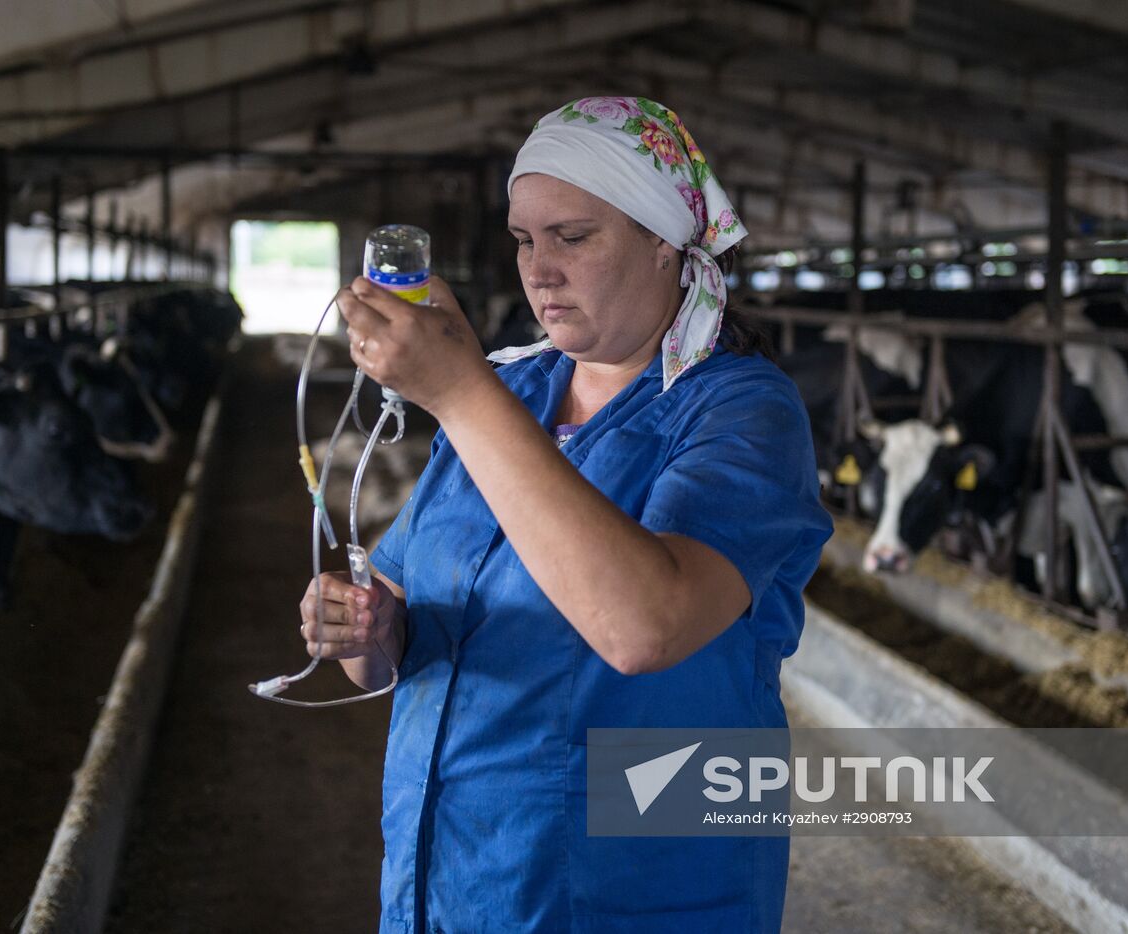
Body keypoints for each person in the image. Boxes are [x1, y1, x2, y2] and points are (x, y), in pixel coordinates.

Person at [300, 95, 833, 933]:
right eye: (524, 239)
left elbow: (644, 628)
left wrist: (459, 391)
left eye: (573, 237)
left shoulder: (741, 414)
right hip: (455, 881)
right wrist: (367, 634)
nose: (538, 269)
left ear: (664, 239)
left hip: (635, 895)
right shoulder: (514, 392)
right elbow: (399, 637)